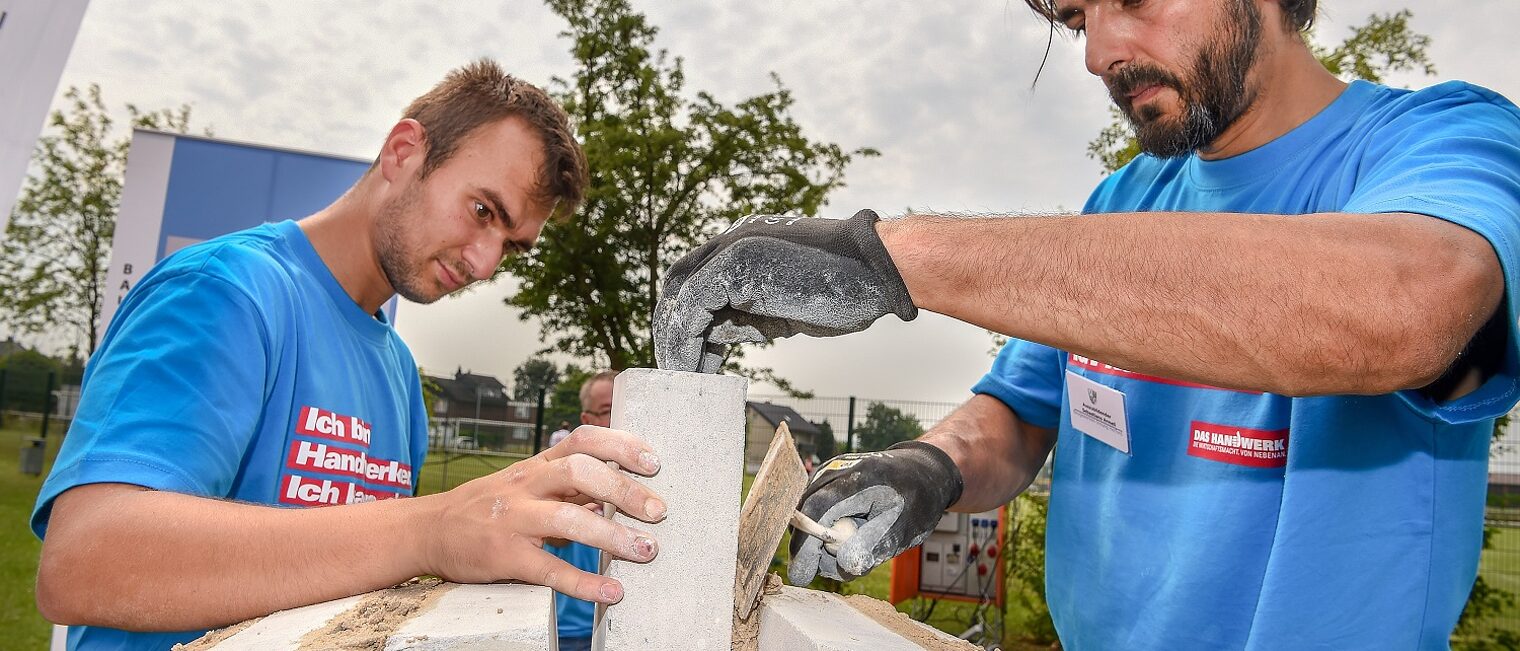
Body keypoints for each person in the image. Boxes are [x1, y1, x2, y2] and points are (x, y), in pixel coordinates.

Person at [652, 1, 1520, 648]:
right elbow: (1023, 412)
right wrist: (928, 467)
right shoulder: (1124, 202)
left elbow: (1410, 306)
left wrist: (893, 258)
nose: (1101, 53)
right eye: (1077, 20)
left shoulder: (1440, 141)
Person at [32, 60, 668, 651]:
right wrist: (433, 530)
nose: (483, 262)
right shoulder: (228, 292)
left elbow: (361, 581)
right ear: (403, 152)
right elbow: (86, 560)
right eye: (481, 211)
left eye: (510, 245)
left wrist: (502, 533)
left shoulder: (395, 370)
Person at [545, 370, 617, 651]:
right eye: (607, 410)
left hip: (624, 623)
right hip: (571, 630)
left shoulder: (646, 473)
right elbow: (553, 536)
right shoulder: (566, 470)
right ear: (587, 420)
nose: (617, 417)